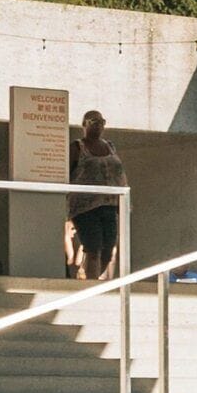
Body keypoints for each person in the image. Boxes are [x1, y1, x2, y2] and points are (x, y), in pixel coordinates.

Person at [65, 110, 127, 281]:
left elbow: (120, 175)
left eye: (102, 121)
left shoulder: (110, 146)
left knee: (109, 248)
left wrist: (124, 201)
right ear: (84, 124)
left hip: (109, 204)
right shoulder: (77, 147)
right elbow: (65, 175)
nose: (98, 125)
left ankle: (89, 277)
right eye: (93, 121)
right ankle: (91, 286)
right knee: (93, 247)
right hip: (85, 207)